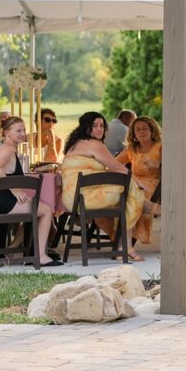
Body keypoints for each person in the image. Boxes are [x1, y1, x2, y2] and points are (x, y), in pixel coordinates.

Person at [60, 112, 156, 261]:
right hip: (86, 196)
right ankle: (126, 244)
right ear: (86, 127)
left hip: (72, 198)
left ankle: (124, 244)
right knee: (132, 188)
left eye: (102, 126)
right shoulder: (95, 144)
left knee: (128, 193)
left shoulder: (76, 144)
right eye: (94, 126)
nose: (99, 129)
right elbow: (117, 167)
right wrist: (138, 182)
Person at [0, 116, 61, 267]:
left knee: (38, 207)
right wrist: (14, 189)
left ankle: (18, 248)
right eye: (18, 130)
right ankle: (40, 255)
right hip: (3, 201)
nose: (23, 133)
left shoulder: (0, 147)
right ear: (7, 133)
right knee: (46, 210)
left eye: (24, 130)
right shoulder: (7, 149)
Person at [115, 116, 164, 245]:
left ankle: (127, 242)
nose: (142, 132)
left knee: (134, 197)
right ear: (134, 133)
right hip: (133, 182)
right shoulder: (132, 149)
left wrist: (156, 165)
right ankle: (121, 237)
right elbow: (115, 164)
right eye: (138, 130)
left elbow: (169, 169)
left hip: (154, 185)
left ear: (152, 130)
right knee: (117, 197)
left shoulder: (160, 147)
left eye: (145, 129)